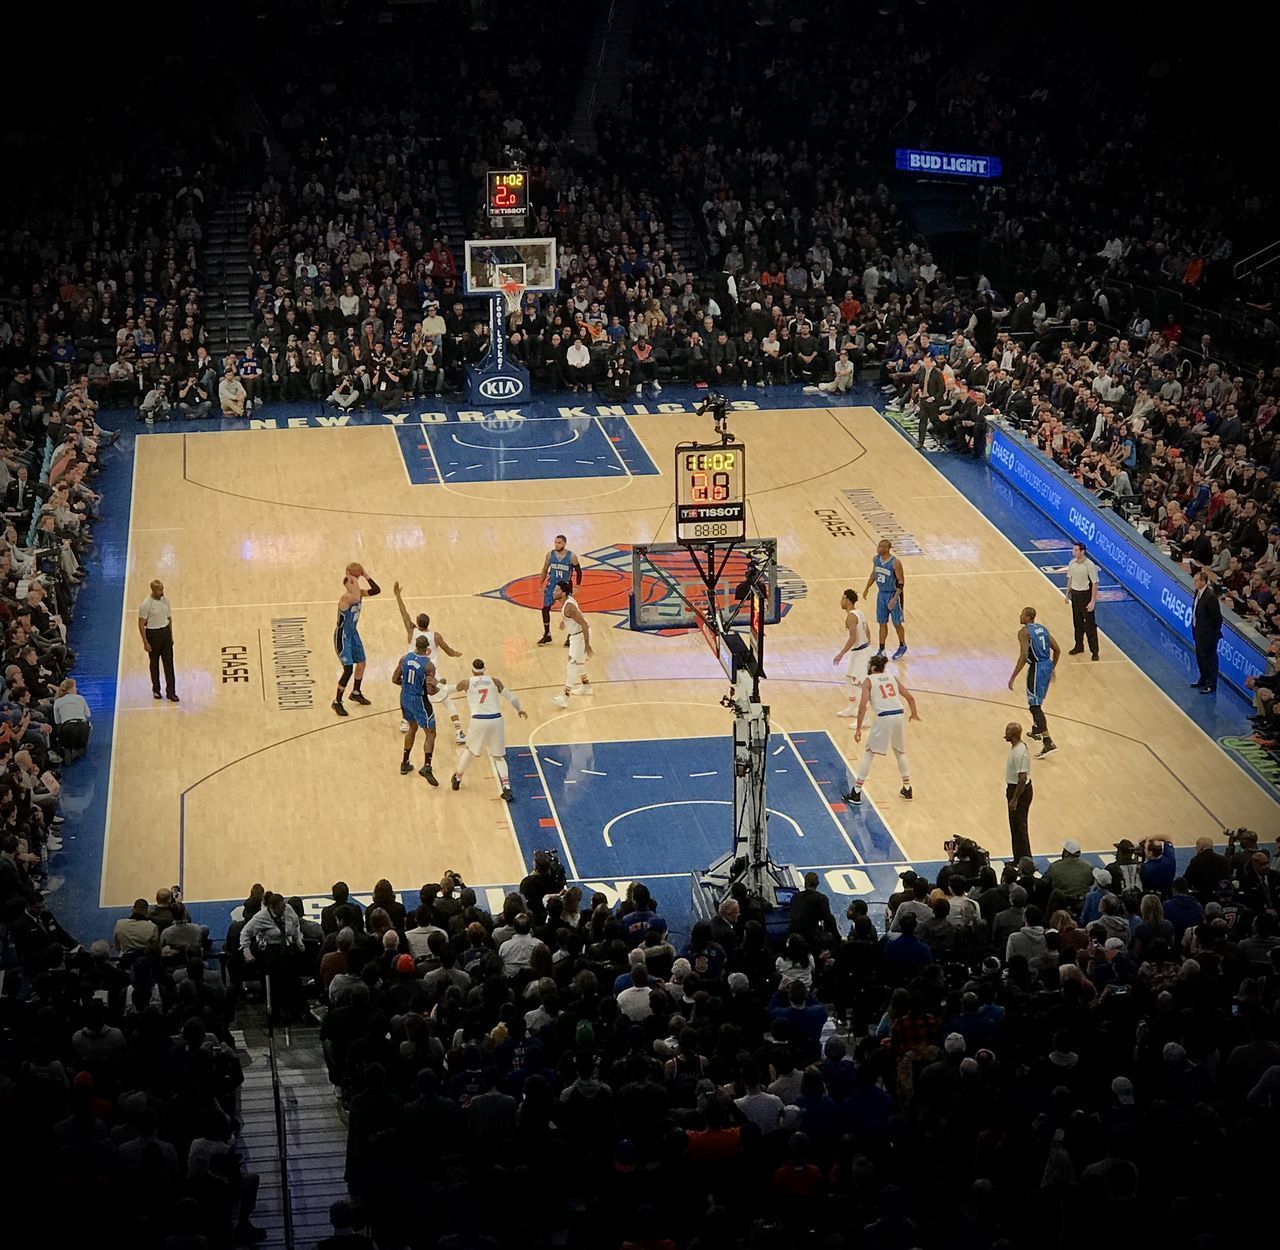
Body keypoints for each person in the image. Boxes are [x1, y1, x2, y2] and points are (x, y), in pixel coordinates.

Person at [393, 582, 466, 744]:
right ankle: (459, 731)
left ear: (417, 622)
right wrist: (456, 654)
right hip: (430, 672)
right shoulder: (436, 636)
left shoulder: (411, 631)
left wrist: (397, 595)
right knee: (447, 701)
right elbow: (448, 650)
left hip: (412, 668)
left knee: (408, 694)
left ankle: (405, 721)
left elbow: (404, 614)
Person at [842, 654, 919, 804]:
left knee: (869, 753)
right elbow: (910, 697)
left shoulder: (868, 681)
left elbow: (862, 707)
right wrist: (914, 713)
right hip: (899, 715)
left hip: (884, 717)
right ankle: (907, 788)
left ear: (871, 667)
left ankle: (856, 792)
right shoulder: (892, 677)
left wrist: (858, 728)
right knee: (899, 752)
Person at [451, 658, 528, 801]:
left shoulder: (467, 682)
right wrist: (519, 710)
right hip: (496, 719)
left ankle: (457, 778)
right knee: (498, 757)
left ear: (472, 669)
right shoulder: (495, 681)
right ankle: (507, 788)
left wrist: (437, 686)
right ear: (485, 668)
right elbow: (512, 698)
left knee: (469, 750)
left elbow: (450, 689)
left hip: (479, 720)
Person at [1007, 606, 1060, 756]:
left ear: (1028, 618)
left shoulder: (1024, 633)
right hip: (1046, 665)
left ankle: (1048, 742)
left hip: (1037, 669)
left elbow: (1024, 656)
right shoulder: (1042, 628)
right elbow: (1057, 649)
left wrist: (1013, 677)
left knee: (1034, 707)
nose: (1020, 616)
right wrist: (1052, 667)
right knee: (1038, 701)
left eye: (1022, 614)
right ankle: (1037, 729)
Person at [332, 562, 381, 717]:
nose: (356, 583)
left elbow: (377, 590)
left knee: (361, 663)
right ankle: (337, 702)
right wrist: (350, 575)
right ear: (348, 585)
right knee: (348, 670)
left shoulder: (359, 593)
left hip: (353, 634)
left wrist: (365, 574)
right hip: (343, 636)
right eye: (353, 582)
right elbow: (354, 594)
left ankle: (356, 692)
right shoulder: (346, 599)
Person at [391, 637, 440, 785]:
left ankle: (405, 762)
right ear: (427, 649)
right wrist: (439, 686)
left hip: (405, 697)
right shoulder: (428, 666)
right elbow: (430, 692)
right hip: (419, 700)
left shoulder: (404, 658)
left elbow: (394, 679)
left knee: (412, 728)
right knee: (430, 732)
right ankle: (427, 766)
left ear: (415, 646)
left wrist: (407, 686)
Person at [550, 580, 594, 707]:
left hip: (580, 636)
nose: (554, 591)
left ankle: (565, 696)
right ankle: (586, 687)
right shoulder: (566, 602)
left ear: (563, 593)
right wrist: (565, 621)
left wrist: (587, 645)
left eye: (557, 590)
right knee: (578, 662)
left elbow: (584, 625)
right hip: (576, 636)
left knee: (572, 664)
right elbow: (573, 618)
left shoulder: (569, 607)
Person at [863, 539, 907, 659]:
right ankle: (881, 649)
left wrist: (895, 598)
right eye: (878, 546)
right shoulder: (876, 559)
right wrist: (867, 588)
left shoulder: (895, 563)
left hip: (893, 594)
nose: (878, 548)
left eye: (881, 546)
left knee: (897, 623)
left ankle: (902, 645)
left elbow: (901, 582)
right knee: (882, 623)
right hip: (881, 594)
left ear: (887, 549)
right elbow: (874, 574)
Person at [832, 589, 871, 718]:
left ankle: (862, 713)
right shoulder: (860, 613)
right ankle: (852, 707)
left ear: (848, 600)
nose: (841, 601)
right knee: (849, 677)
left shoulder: (851, 616)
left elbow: (853, 638)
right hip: (862, 650)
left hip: (860, 652)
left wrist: (841, 654)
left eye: (843, 598)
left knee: (859, 682)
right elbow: (868, 633)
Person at [138, 578, 178, 703]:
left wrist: (170, 635)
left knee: (169, 664)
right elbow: (141, 624)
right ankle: (156, 689)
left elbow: (169, 618)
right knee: (154, 664)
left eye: (162, 589)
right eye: (159, 589)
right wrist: (145, 642)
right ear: (154, 590)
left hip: (165, 633)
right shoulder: (146, 605)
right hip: (153, 634)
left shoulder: (166, 601)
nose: (162, 591)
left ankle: (171, 692)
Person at [537, 535, 582, 645]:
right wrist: (540, 584)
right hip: (552, 585)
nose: (557, 545)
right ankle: (547, 634)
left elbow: (579, 572)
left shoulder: (572, 557)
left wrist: (577, 586)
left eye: (559, 543)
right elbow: (544, 569)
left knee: (569, 611)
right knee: (545, 609)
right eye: (555, 543)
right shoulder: (550, 555)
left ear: (564, 543)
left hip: (565, 586)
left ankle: (571, 635)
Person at [1064, 543, 1100, 660]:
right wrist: (1067, 594)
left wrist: (1092, 601)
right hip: (1075, 595)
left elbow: (1095, 583)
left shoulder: (1089, 565)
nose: (1073, 552)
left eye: (1075, 550)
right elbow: (1070, 579)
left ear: (1082, 551)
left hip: (1085, 596)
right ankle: (1079, 645)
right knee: (1077, 623)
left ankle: (1094, 651)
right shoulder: (1072, 563)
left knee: (1090, 625)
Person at [1004, 722, 1033, 862]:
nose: (1005, 734)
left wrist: (1015, 798)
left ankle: (1026, 860)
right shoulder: (1016, 748)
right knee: (1015, 826)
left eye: (1007, 732)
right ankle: (1018, 859)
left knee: (1020, 827)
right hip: (1015, 788)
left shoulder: (1020, 753)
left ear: (1013, 734)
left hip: (1019, 791)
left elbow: (1022, 778)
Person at [1191, 569, 1222, 693]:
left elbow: (1217, 617)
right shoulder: (1198, 592)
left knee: (1209, 658)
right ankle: (1203, 679)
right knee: (1200, 657)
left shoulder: (1210, 597)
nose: (1194, 583)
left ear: (1204, 581)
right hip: (1198, 631)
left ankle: (1211, 684)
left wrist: (1211, 632)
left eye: (1197, 580)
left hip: (1208, 634)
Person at [52, 677, 91, 757]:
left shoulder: (57, 701)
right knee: (82, 748)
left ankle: (66, 749)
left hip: (68, 727)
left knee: (67, 742)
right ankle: (75, 753)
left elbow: (57, 721)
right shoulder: (80, 698)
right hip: (82, 726)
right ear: (69, 689)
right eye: (74, 687)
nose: (76, 689)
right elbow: (88, 714)